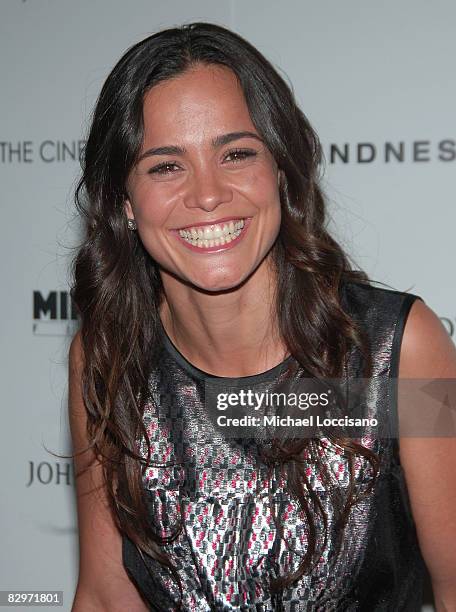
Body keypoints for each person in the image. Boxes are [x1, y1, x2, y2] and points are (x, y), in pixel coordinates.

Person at [68, 22, 456, 612]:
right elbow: (105, 594)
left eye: (237, 154)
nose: (207, 194)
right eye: (166, 166)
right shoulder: (107, 357)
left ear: (280, 169)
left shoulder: (402, 353)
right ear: (124, 200)